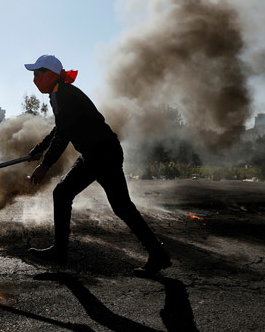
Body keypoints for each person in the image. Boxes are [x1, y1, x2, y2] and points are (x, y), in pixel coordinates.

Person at [24, 54, 172, 274]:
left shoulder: (64, 94)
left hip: (102, 154)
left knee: (108, 203)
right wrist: (39, 149)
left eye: (38, 73)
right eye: (34, 74)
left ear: (51, 74)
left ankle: (157, 255)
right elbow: (59, 129)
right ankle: (157, 255)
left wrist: (45, 165)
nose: (34, 78)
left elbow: (63, 134)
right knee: (75, 196)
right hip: (97, 153)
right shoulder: (59, 93)